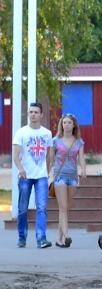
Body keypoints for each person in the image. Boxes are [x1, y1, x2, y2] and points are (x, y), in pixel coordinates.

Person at [12, 102, 52, 249]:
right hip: (25, 176)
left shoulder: (46, 133)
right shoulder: (21, 132)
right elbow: (16, 155)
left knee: (41, 207)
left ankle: (41, 238)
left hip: (41, 176)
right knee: (23, 208)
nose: (33, 114)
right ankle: (22, 236)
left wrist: (47, 171)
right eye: (31, 112)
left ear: (41, 115)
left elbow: (48, 155)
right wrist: (20, 169)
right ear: (28, 114)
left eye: (36, 112)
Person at [48, 114, 87, 248]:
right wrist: (47, 173)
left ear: (74, 125)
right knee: (63, 208)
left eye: (69, 122)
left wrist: (83, 170)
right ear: (61, 125)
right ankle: (67, 235)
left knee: (66, 209)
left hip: (73, 177)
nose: (66, 125)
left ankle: (59, 239)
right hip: (60, 176)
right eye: (64, 122)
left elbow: (81, 158)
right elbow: (51, 159)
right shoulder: (55, 141)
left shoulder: (79, 142)